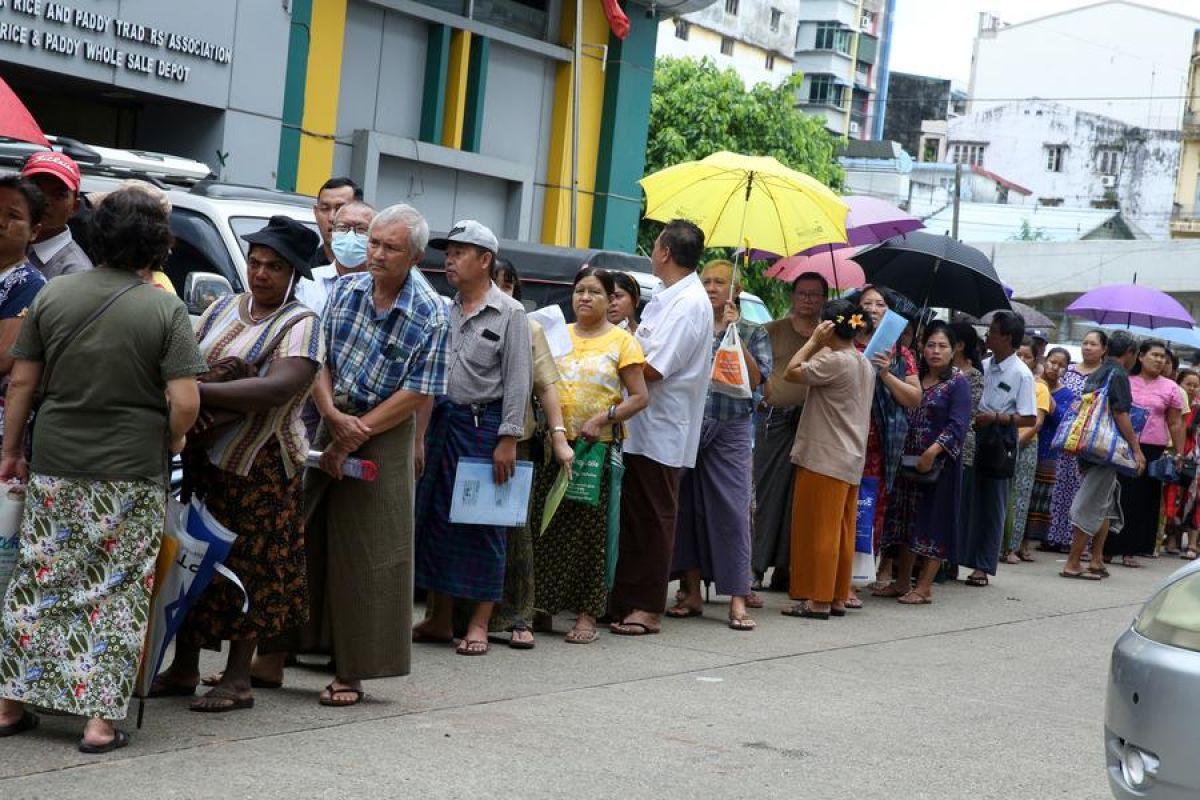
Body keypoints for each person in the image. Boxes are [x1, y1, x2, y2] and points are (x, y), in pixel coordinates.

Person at [0, 187, 204, 751]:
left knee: (41, 579)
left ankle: (10, 703)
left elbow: (22, 381)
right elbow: (185, 401)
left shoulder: (55, 294)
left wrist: (12, 449)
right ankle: (97, 722)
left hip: (58, 459)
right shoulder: (164, 308)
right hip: (130, 467)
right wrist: (174, 435)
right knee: (115, 590)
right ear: (157, 245)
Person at [255, 203, 448, 706]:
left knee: (370, 553)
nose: (378, 254)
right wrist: (333, 419)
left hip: (383, 428)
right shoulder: (345, 290)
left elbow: (418, 391)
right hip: (328, 415)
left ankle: (353, 671)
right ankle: (271, 657)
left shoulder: (431, 310)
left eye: (391, 247)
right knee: (296, 533)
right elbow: (318, 358)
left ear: (416, 256)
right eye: (375, 243)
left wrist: (356, 432)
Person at [152, 217, 325, 712]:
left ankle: (236, 678)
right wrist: (202, 387)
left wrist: (198, 392)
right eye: (255, 262)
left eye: (274, 266)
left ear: (294, 274)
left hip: (261, 467)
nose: (262, 273)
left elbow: (277, 387)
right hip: (207, 459)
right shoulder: (223, 307)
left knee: (249, 568)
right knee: (195, 560)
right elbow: (189, 358)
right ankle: (184, 667)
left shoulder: (301, 324)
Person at [413, 220, 532, 656]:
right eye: (448, 252)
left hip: (485, 427)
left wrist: (509, 438)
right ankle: (439, 619)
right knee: (437, 520)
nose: (449, 260)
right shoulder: (443, 309)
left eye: (461, 252)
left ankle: (479, 624)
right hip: (443, 421)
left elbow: (519, 381)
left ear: (485, 261)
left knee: (483, 524)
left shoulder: (510, 313)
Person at [533, 267, 648, 643]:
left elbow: (640, 398)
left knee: (589, 534)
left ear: (610, 299)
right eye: (579, 290)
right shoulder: (557, 335)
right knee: (545, 527)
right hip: (555, 443)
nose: (584, 298)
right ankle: (542, 608)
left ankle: (586, 614)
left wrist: (604, 418)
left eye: (595, 292)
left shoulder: (623, 341)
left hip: (596, 449)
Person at [610, 219, 712, 637]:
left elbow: (653, 367)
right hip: (642, 424)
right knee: (633, 516)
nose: (652, 251)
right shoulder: (663, 297)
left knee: (653, 517)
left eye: (655, 245)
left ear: (666, 252)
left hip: (664, 427)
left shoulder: (690, 303)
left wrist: (607, 356)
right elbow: (643, 345)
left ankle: (648, 607)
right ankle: (624, 600)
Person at [469, 259, 573, 648]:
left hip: (516, 440)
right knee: (465, 525)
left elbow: (547, 387)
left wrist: (559, 437)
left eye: (507, 284)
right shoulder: (461, 316)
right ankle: (453, 614)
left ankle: (518, 616)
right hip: (467, 435)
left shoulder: (526, 327)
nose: (500, 291)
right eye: (495, 283)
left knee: (514, 530)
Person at [669, 260, 771, 631]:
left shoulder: (752, 330)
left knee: (733, 510)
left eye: (720, 282)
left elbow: (759, 380)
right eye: (707, 281)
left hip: (732, 425)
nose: (711, 288)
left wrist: (733, 334)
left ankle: (738, 599)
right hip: (692, 422)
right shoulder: (692, 324)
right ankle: (691, 592)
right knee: (687, 505)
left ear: (736, 291)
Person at [781, 299, 875, 619]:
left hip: (824, 457)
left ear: (828, 327)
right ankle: (835, 595)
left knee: (820, 530)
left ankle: (818, 600)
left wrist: (811, 342)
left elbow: (791, 372)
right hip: (850, 458)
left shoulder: (835, 362)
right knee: (841, 531)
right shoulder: (862, 362)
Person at [880, 323, 971, 604]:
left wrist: (932, 452)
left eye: (942, 346)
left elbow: (958, 425)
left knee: (934, 522)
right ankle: (902, 581)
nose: (935, 351)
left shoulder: (958, 383)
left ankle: (925, 587)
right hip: (907, 461)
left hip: (939, 465)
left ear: (954, 349)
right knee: (908, 521)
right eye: (931, 345)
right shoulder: (915, 378)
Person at [751, 272, 827, 592]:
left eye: (815, 294)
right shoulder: (771, 331)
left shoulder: (829, 336)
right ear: (793, 296)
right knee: (766, 494)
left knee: (800, 498)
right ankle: (755, 566)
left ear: (824, 299)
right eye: (802, 293)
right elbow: (752, 370)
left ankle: (786, 566)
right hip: (774, 420)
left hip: (813, 422)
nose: (808, 299)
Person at [955, 311, 1037, 587]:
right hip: (973, 433)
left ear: (1008, 338)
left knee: (992, 503)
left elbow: (1029, 418)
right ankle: (956, 557)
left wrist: (997, 418)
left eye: (993, 331)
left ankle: (982, 565)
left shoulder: (1021, 374)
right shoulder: (984, 365)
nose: (988, 335)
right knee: (966, 498)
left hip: (999, 437)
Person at [850, 286, 921, 599]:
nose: (874, 309)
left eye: (880, 304)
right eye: (867, 303)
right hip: (847, 439)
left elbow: (914, 399)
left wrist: (886, 374)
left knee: (871, 510)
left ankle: (856, 576)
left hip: (882, 448)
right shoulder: (845, 344)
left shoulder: (901, 354)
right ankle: (841, 576)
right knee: (844, 507)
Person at [1062, 330, 1144, 580]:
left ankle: (1096, 559)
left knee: (1105, 502)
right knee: (1091, 503)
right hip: (1105, 450)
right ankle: (1073, 563)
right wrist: (1136, 449)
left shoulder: (1098, 371)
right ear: (1130, 353)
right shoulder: (1118, 375)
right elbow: (1120, 414)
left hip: (1089, 446)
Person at [1104, 339, 1184, 568]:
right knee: (1117, 495)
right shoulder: (1126, 380)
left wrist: (1179, 453)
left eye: (1163, 357)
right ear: (1140, 356)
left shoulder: (1170, 388)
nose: (1159, 360)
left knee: (1144, 500)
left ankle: (1131, 549)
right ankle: (1108, 548)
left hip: (1153, 448)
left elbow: (1176, 422)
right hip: (1123, 444)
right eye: (1155, 355)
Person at [1046, 330, 1107, 551]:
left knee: (1082, 490)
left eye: (1093, 344)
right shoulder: (1068, 371)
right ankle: (1056, 536)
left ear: (1104, 349)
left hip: (1088, 441)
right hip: (1064, 439)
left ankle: (1078, 542)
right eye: (1085, 343)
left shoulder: (1104, 375)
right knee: (1060, 487)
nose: (1088, 347)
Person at [1003, 337, 1051, 564]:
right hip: (1002, 442)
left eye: (1028, 356)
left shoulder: (1039, 386)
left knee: (1019, 499)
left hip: (1025, 444)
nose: (1022, 360)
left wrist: (1014, 443)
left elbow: (1036, 423)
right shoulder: (1006, 377)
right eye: (1019, 355)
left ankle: (1012, 548)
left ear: (1035, 360)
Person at [1025, 348, 1076, 547]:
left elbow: (1064, 420)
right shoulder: (1032, 383)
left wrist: (1048, 398)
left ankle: (1028, 541)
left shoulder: (1066, 394)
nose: (1055, 367)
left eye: (1061, 365)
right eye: (1052, 362)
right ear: (1045, 361)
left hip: (1049, 450)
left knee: (1040, 498)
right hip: (1028, 442)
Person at [0, 177, 47, 395]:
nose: (1, 222)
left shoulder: (28, 284)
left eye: (13, 216)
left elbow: (3, 357)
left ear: (34, 231)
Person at [20, 151, 93, 279]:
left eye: (59, 194)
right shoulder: (9, 242)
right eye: (36, 189)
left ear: (74, 207)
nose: (45, 201)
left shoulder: (74, 272)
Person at [296, 200, 376, 315]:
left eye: (361, 229)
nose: (350, 236)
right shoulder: (307, 281)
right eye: (343, 228)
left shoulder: (381, 286)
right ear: (332, 232)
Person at [1166, 368, 1200, 558]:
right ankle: (1173, 539)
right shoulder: (1175, 405)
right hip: (1178, 455)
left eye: (1196, 385)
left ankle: (1192, 544)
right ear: (1179, 384)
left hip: (1196, 460)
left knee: (1195, 500)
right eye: (1188, 384)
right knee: (1175, 497)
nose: (1192, 388)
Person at [309, 177, 362, 269]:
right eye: (325, 209)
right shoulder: (303, 268)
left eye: (340, 209)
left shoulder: (373, 269)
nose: (332, 217)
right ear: (316, 213)